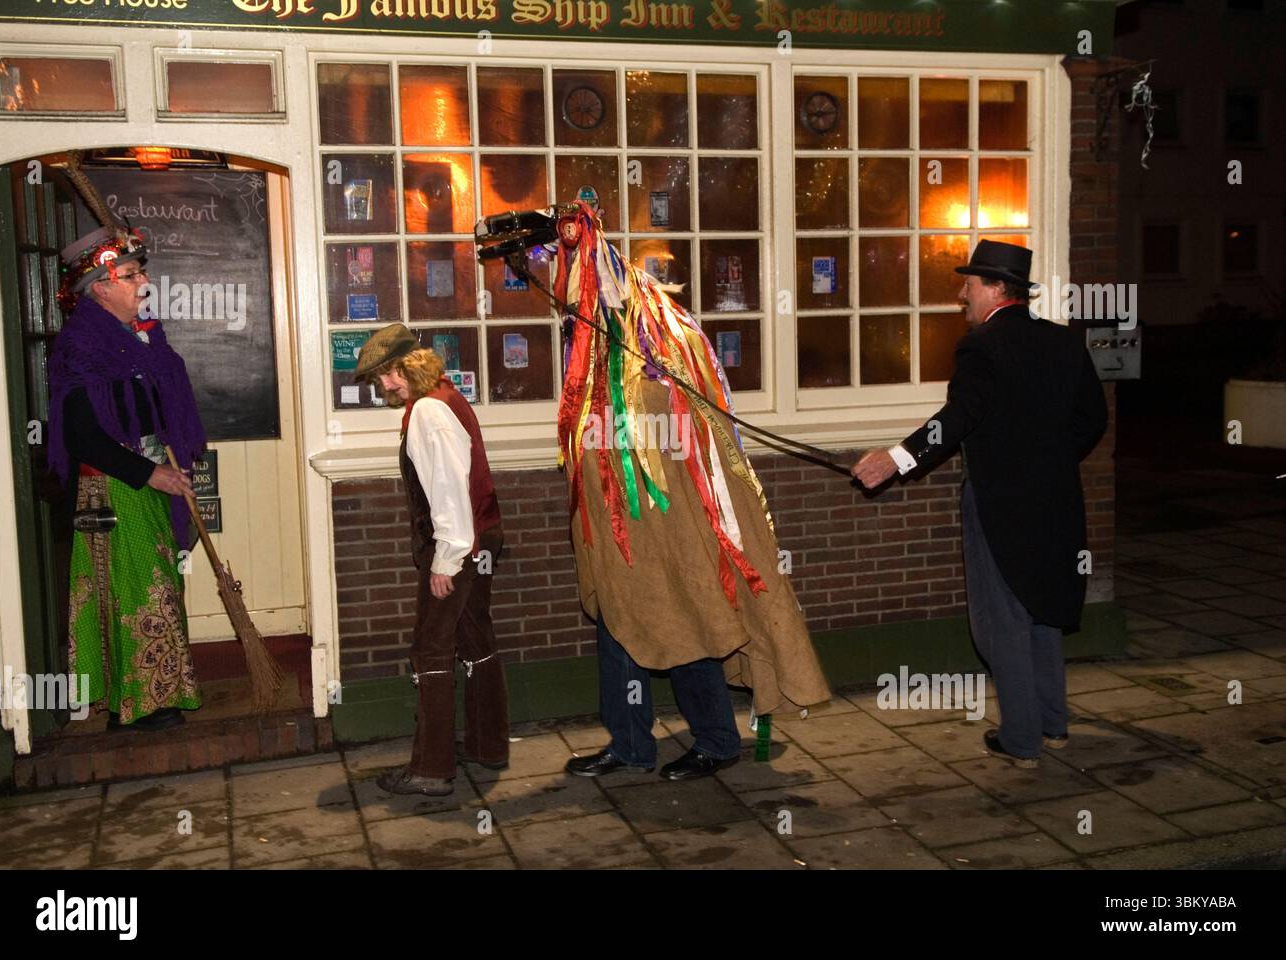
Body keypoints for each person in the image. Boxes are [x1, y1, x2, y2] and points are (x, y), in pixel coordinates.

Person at [520, 205, 831, 783]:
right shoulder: (592, 341)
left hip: (674, 518)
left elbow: (692, 430)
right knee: (618, 625)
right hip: (619, 525)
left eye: (564, 275)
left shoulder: (660, 336)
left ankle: (717, 740)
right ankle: (630, 744)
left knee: (690, 617)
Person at [853, 240, 1107, 769]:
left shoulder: (982, 346)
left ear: (994, 289)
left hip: (998, 503)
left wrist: (897, 459)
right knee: (1042, 609)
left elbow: (959, 417)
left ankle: (1021, 740)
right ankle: (1053, 725)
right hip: (1057, 501)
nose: (960, 295)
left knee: (1003, 619)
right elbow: (1092, 421)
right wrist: (1049, 463)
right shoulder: (1065, 343)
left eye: (968, 285)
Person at [48, 225, 207, 731]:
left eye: (143, 272)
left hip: (147, 478)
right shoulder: (81, 347)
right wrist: (148, 472)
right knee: (137, 590)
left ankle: (146, 697)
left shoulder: (136, 336)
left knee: (152, 583)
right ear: (100, 285)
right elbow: (82, 438)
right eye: (132, 274)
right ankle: (140, 703)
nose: (144, 283)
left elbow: (155, 405)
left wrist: (167, 454)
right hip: (114, 486)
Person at [355, 324, 510, 796]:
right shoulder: (444, 399)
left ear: (411, 365)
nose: (385, 386)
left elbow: (447, 490)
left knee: (431, 650)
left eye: (389, 374)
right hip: (479, 537)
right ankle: (486, 746)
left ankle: (431, 768)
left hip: (458, 545)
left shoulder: (426, 411)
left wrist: (446, 559)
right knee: (475, 638)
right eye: (380, 378)